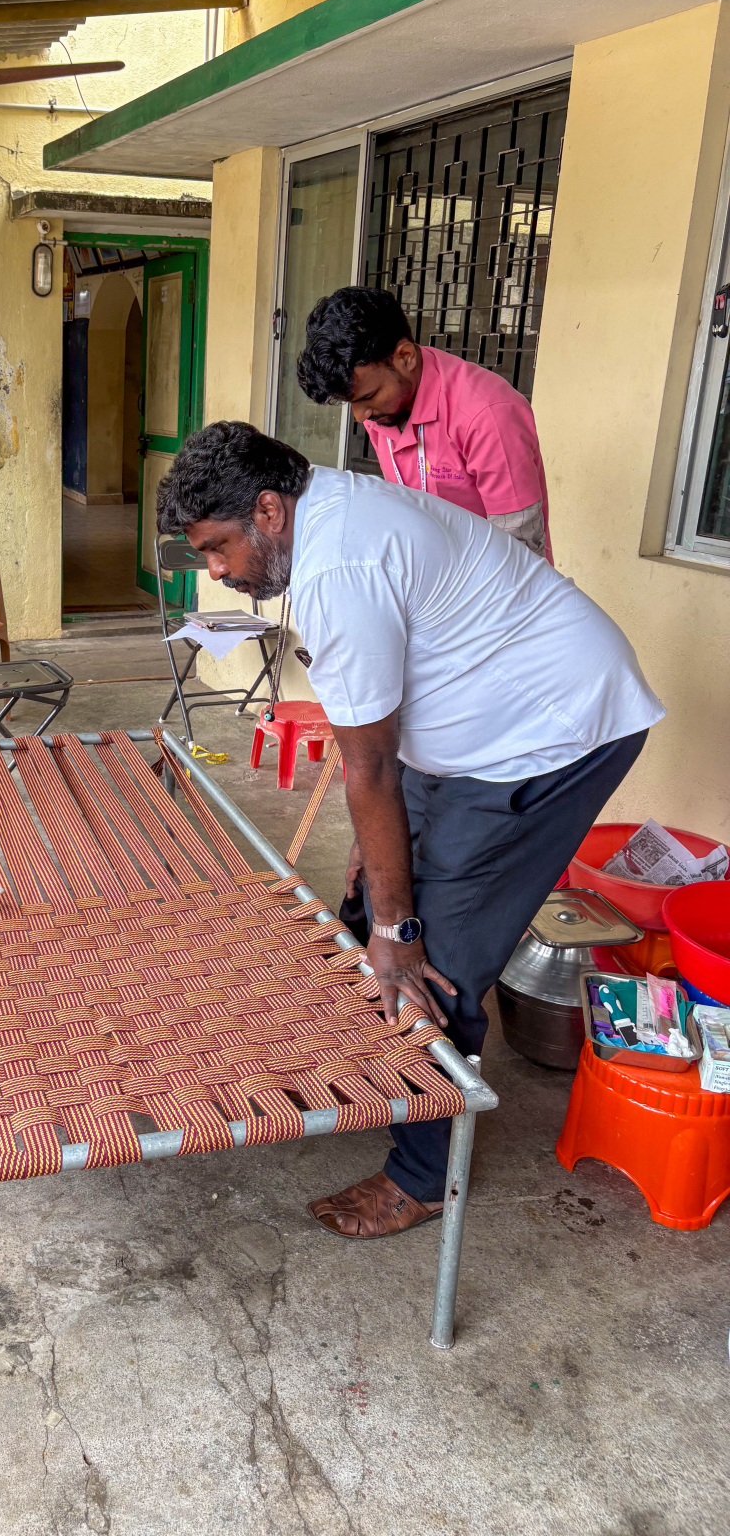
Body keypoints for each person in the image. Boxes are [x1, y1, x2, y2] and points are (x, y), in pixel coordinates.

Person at [157, 421, 664, 1239]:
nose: (217, 571)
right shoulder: (324, 508)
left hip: (553, 728)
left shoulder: (338, 570)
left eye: (220, 548)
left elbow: (371, 770)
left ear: (268, 510)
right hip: (474, 718)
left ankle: (423, 1177)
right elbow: (380, 758)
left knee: (438, 957)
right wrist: (379, 864)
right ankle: (375, 1073)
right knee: (365, 901)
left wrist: (402, 926)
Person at [297, 286, 552, 560]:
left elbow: (520, 555)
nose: (360, 417)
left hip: (492, 592)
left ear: (405, 357)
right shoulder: (381, 411)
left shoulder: (487, 414)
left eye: (368, 397)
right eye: (352, 403)